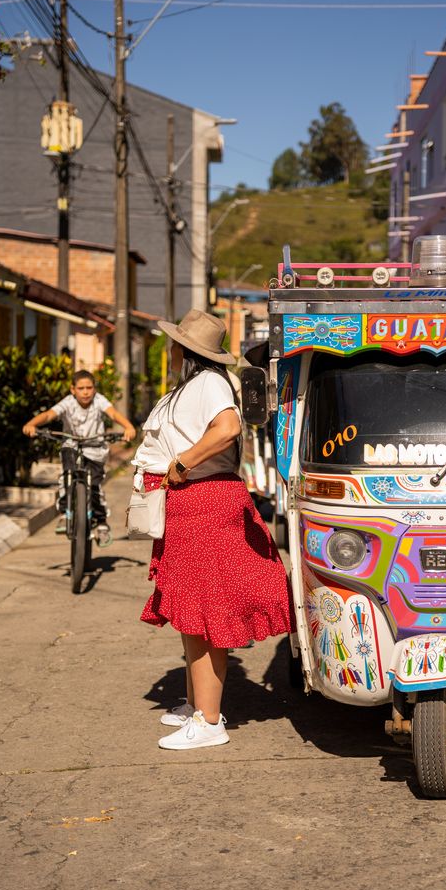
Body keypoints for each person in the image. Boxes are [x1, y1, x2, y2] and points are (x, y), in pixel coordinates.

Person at [132, 308, 292, 751]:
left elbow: (228, 428)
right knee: (192, 614)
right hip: (191, 504)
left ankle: (208, 721)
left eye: (174, 343)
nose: (170, 349)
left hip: (205, 502)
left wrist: (183, 463)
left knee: (203, 614)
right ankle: (196, 706)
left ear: (185, 349)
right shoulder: (194, 386)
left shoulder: (208, 383)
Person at [22, 369, 136, 544]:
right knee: (67, 477)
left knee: (95, 486)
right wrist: (32, 424)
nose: (85, 392)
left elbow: (113, 413)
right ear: (72, 389)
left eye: (89, 388)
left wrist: (128, 427)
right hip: (72, 446)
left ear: (94, 389)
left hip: (95, 448)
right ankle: (65, 513)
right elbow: (49, 414)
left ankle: (101, 523)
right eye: (81, 388)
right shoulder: (68, 402)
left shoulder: (99, 401)